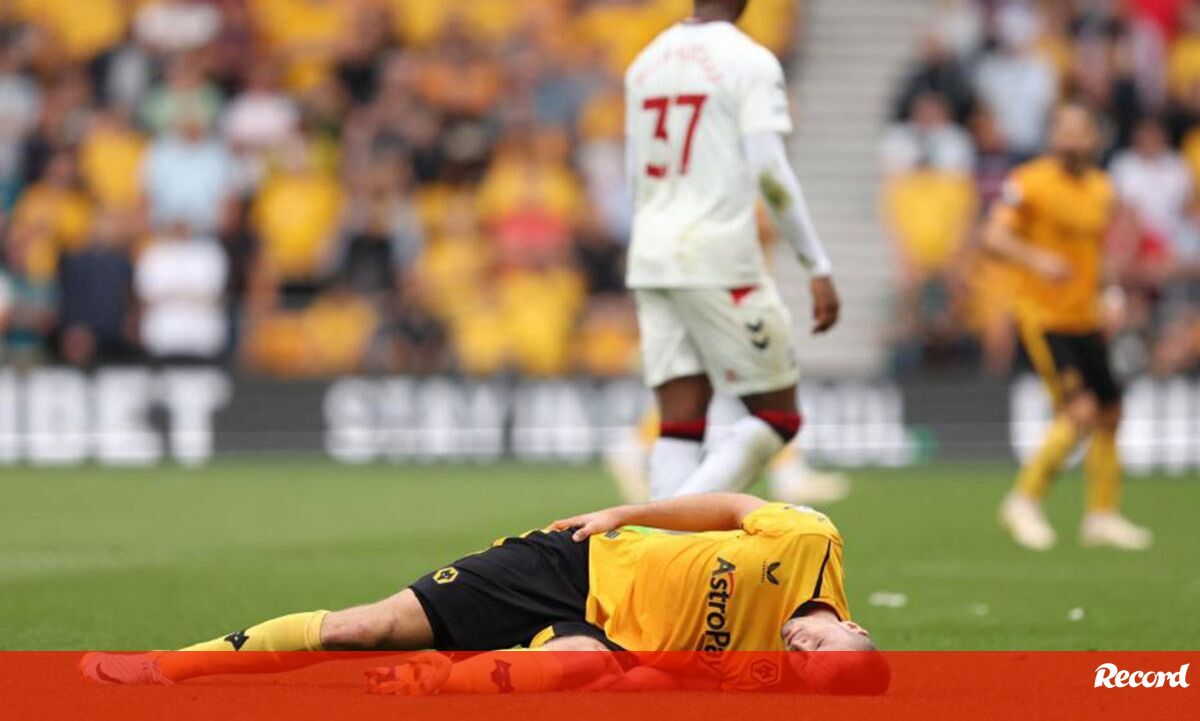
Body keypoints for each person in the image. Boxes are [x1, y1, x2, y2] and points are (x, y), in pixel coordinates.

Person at [81, 493, 884, 694]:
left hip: (604, 640)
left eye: (805, 664)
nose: (798, 647)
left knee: (584, 669)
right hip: (574, 566)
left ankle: (436, 679)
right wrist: (623, 512)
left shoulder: (765, 676)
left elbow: (661, 679)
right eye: (818, 645)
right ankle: (166, 665)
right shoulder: (810, 541)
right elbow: (732, 505)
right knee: (365, 627)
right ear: (858, 630)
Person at [624, 0, 839, 500]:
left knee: (679, 424)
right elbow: (769, 169)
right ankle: (678, 522)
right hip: (716, 254)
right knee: (779, 416)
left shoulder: (645, 63)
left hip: (652, 252)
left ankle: (664, 543)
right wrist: (816, 263)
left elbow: (635, 172)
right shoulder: (750, 60)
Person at [985, 103, 1152, 551]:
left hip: (1085, 316)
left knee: (1111, 412)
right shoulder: (1029, 182)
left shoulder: (1101, 188)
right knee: (1079, 412)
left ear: (1094, 138)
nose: (1072, 140)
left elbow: (1103, 250)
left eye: (1081, 132)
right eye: (1064, 131)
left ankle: (1102, 516)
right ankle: (1023, 501)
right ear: (1052, 137)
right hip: (1044, 316)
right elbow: (994, 236)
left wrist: (1111, 294)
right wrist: (1036, 259)